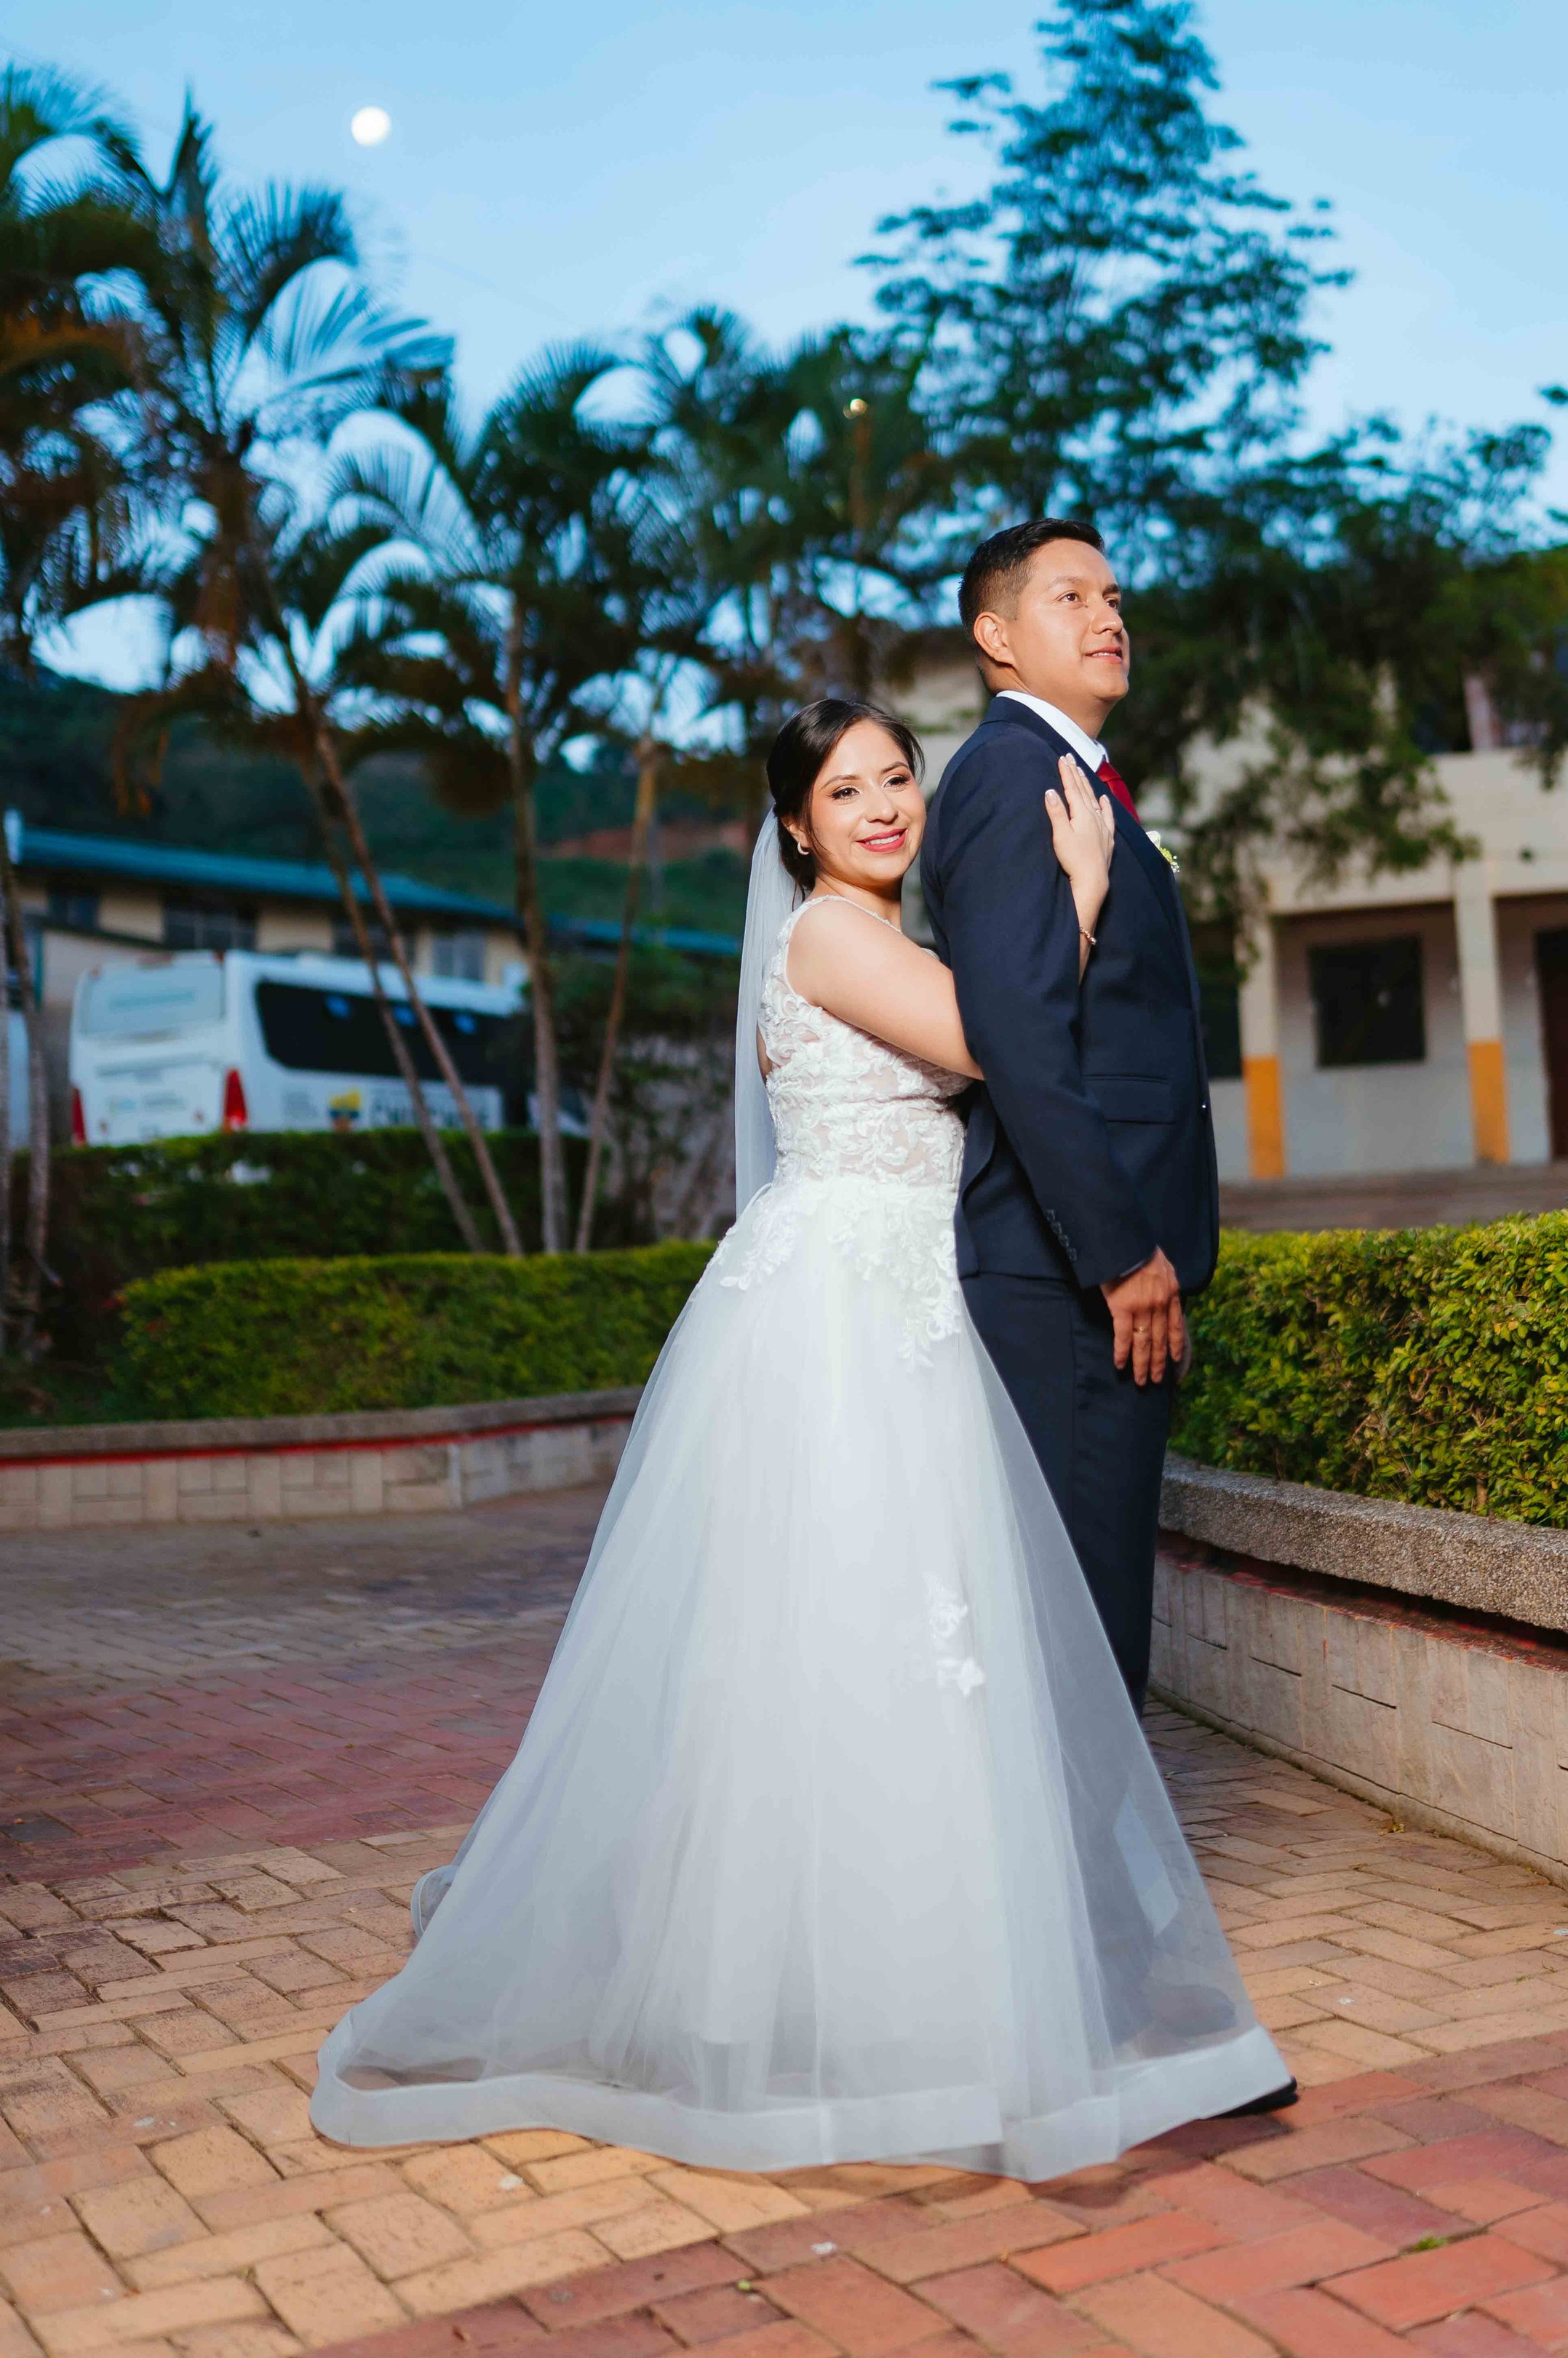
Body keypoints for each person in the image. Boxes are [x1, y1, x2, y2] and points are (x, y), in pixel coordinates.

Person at [309, 695, 1289, 2174]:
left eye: (897, 778)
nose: (885, 806)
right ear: (796, 827)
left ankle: (929, 1960)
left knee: (912, 1642)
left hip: (906, 1297)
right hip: (844, 1306)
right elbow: (981, 1043)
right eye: (849, 792)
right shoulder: (834, 937)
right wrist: (1080, 897)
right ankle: (812, 1980)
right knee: (843, 1632)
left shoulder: (886, 934)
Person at [920, 519, 1218, 1708]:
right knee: (1082, 1627)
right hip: (1074, 1278)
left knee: (1090, 1607)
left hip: (1100, 1265)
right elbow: (1023, 1036)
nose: (1110, 617)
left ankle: (1083, 1885)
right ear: (996, 636)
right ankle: (1088, 1893)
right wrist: (1119, 1251)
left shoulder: (1081, 781)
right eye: (1071, 598)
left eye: (1115, 595)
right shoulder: (1006, 777)